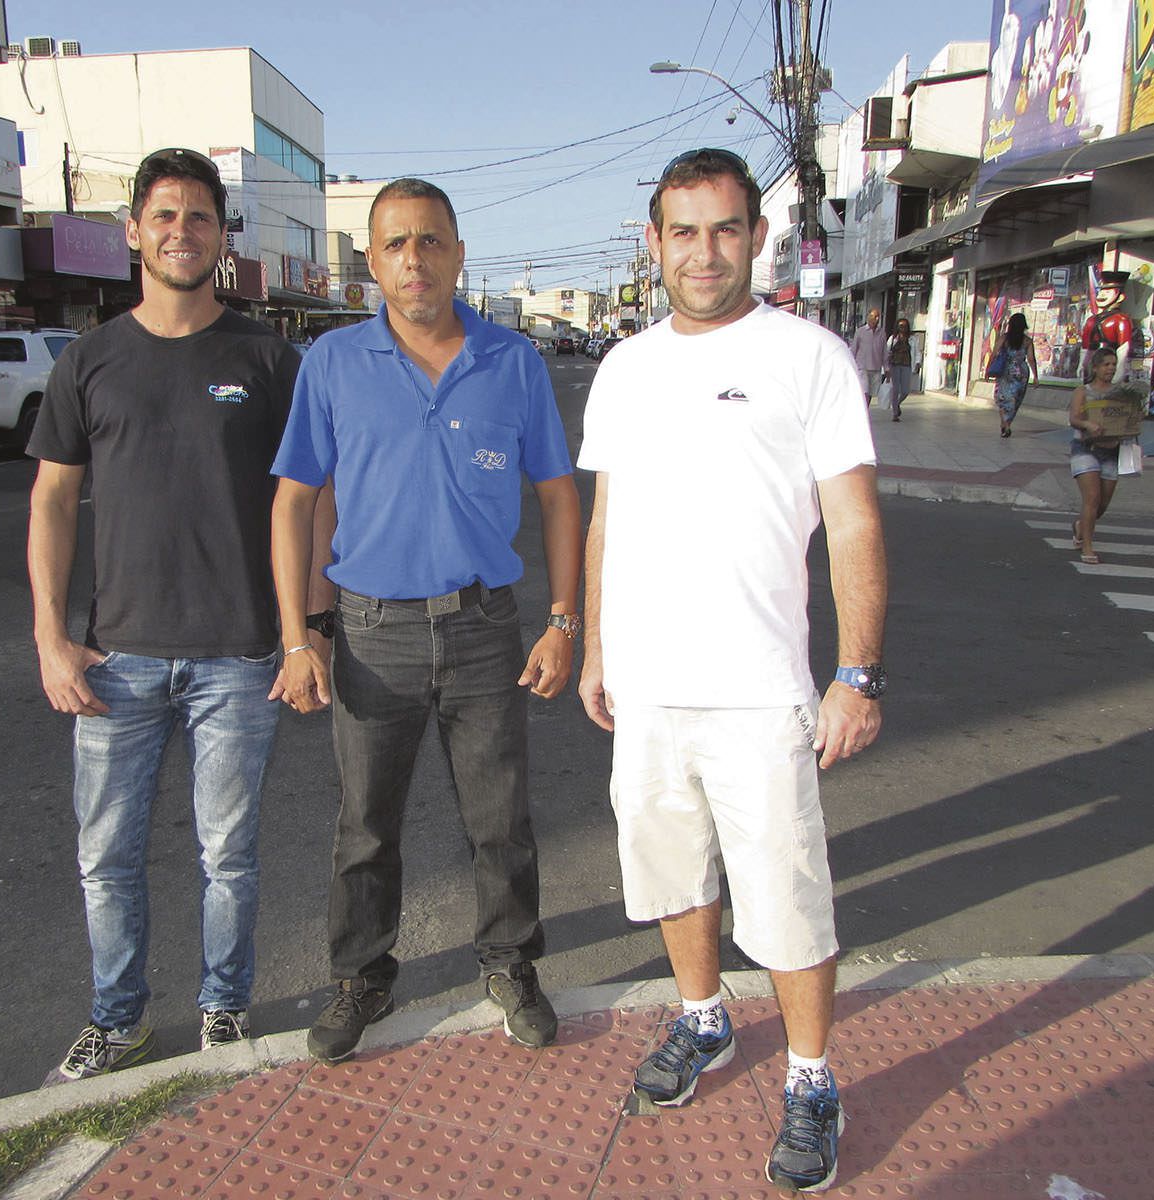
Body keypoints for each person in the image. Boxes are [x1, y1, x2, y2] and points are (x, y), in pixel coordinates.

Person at [578, 147, 887, 1194]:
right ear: (654, 243)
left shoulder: (810, 357)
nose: (702, 252)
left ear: (756, 236)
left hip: (760, 693)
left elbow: (853, 523)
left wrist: (857, 673)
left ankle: (811, 1078)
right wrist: (597, 646)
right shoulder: (624, 368)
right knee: (671, 876)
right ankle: (703, 1018)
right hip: (648, 690)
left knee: (786, 899)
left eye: (723, 230)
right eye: (683, 231)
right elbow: (607, 518)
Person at [270, 177, 582, 1066]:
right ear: (372, 262)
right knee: (365, 826)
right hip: (372, 636)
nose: (416, 259)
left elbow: (558, 496)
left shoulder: (512, 361)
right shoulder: (332, 363)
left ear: (458, 253)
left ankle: (511, 964)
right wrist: (298, 638)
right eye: (396, 244)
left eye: (432, 240)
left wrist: (564, 622)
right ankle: (360, 977)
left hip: (485, 629)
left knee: (501, 818)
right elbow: (293, 503)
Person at [28, 147, 315, 1085]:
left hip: (241, 655)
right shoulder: (89, 359)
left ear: (223, 236)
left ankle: (223, 1010)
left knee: (228, 855)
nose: (181, 232)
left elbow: (309, 500)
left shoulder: (269, 359)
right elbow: (50, 501)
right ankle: (117, 1022)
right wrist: (51, 638)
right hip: (116, 661)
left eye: (199, 217)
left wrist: (305, 632)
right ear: (133, 232)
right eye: (164, 216)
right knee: (105, 858)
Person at [1067, 347, 1137, 565]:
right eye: (1106, 364)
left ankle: (1081, 526)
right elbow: (1074, 418)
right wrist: (1087, 424)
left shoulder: (1121, 393)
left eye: (1113, 364)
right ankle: (1087, 546)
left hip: (1111, 450)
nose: (1111, 368)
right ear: (1095, 367)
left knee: (1102, 504)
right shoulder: (1083, 391)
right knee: (1092, 497)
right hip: (1085, 448)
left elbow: (1130, 418)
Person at [988, 311, 1037, 437]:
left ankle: (1005, 423)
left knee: (1002, 398)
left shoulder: (1004, 338)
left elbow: (994, 353)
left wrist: (989, 367)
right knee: (1015, 400)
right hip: (1021, 372)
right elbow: (1031, 359)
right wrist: (1035, 376)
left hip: (1006, 370)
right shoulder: (1027, 341)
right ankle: (1007, 424)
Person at [849, 308, 887, 404]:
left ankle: (866, 409)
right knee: (864, 391)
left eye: (878, 317)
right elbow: (854, 349)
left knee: (871, 393)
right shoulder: (860, 331)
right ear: (868, 317)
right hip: (863, 367)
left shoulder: (882, 333)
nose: (876, 319)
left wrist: (887, 368)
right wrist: (851, 364)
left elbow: (884, 352)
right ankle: (863, 410)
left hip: (876, 368)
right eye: (874, 316)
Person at [887, 317, 914, 421]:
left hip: (906, 365)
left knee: (905, 391)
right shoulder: (893, 338)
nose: (903, 328)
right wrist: (886, 368)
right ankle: (895, 413)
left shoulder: (912, 339)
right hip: (895, 365)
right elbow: (887, 351)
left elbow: (916, 352)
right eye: (901, 326)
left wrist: (917, 363)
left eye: (905, 326)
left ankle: (897, 403)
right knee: (895, 389)